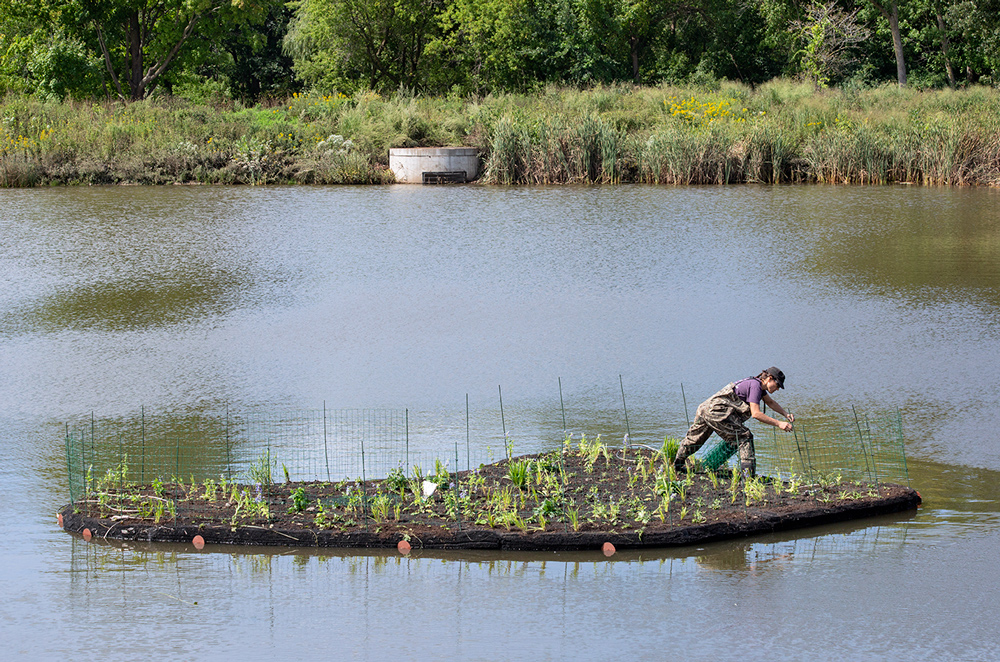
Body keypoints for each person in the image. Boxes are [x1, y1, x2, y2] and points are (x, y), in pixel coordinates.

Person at [673, 367, 794, 477]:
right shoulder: (755, 387)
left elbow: (770, 402)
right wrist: (779, 423)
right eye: (777, 385)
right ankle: (748, 477)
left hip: (706, 408)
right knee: (744, 437)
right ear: (769, 378)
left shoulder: (756, 385)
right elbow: (756, 414)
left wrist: (785, 414)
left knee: (695, 439)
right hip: (717, 412)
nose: (777, 389)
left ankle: (677, 466)